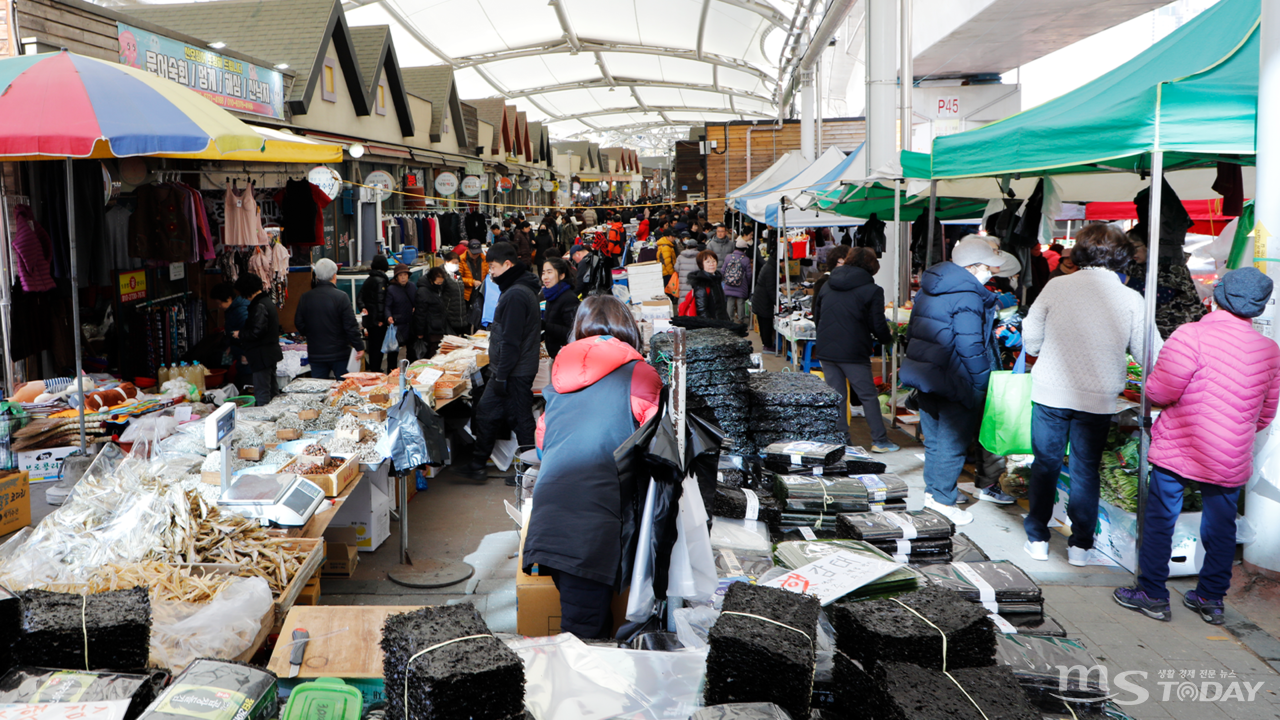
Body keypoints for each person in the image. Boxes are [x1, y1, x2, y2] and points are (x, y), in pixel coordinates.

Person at [1112, 268, 1280, 624]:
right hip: (1230, 455)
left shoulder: (1192, 335)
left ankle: (1153, 594)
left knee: (1161, 520)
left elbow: (1159, 392)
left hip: (1181, 446)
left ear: (1220, 296)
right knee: (1221, 528)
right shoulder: (1269, 349)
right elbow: (1266, 414)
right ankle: (1211, 599)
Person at [524, 295, 662, 639]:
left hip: (551, 518)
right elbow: (659, 446)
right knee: (582, 639)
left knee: (584, 624)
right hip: (591, 524)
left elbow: (542, 444)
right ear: (629, 331)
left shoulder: (559, 376)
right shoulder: (640, 375)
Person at [1022, 223, 1155, 564]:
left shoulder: (1058, 286)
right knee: (1086, 469)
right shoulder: (1130, 297)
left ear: (1079, 251)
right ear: (1122, 255)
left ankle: (1037, 538)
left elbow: (1031, 331)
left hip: (1051, 391)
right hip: (1097, 397)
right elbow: (1149, 353)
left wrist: (1039, 350)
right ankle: (1080, 546)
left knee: (1046, 465)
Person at [899, 236, 1008, 526]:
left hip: (927, 376)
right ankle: (944, 502)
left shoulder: (930, 288)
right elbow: (971, 347)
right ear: (973, 266)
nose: (992, 273)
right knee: (951, 444)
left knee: (935, 441)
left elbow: (912, 333)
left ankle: (934, 496)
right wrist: (983, 384)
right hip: (955, 378)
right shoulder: (968, 295)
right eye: (988, 267)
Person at [459, 242, 542, 482]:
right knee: (486, 410)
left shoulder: (516, 294)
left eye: (493, 267)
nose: (490, 273)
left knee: (521, 418)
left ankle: (530, 471)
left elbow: (511, 341)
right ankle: (477, 463)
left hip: (514, 371)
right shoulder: (516, 288)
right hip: (509, 368)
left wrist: (502, 375)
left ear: (507, 264)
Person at [816, 248, 897, 453]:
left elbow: (817, 315)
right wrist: (888, 339)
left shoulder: (827, 284)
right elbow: (878, 324)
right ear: (872, 266)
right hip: (853, 351)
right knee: (868, 396)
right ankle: (880, 441)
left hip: (826, 349)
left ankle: (842, 441)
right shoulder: (872, 290)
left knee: (837, 396)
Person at [294, 258, 365, 380]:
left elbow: (299, 323)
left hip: (316, 353)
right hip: (340, 353)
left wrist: (311, 334)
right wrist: (359, 346)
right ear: (334, 276)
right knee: (343, 389)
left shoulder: (306, 297)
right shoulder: (341, 297)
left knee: (319, 390)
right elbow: (350, 326)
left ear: (317, 277)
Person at [234, 273, 283, 406]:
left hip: (262, 356)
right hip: (268, 355)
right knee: (272, 391)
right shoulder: (265, 302)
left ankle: (265, 422)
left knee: (262, 392)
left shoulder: (259, 306)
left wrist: (240, 334)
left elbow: (257, 331)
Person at [357, 255, 391, 373]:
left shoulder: (368, 279)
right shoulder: (381, 280)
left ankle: (374, 368)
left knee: (372, 346)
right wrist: (381, 319)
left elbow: (359, 298)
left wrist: (363, 309)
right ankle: (376, 370)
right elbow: (380, 302)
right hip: (377, 321)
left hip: (369, 320)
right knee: (378, 347)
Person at [541, 256, 579, 358]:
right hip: (555, 354)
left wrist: (544, 326)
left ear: (562, 275)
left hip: (567, 356)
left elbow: (572, 332)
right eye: (543, 273)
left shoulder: (569, 299)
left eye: (549, 272)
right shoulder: (551, 295)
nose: (545, 277)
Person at [211, 282, 249, 380]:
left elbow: (248, 334)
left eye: (220, 303)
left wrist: (246, 353)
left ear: (229, 298)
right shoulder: (233, 309)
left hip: (245, 354)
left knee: (246, 378)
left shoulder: (240, 311)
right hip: (237, 349)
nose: (219, 306)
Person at [412, 267, 450, 361]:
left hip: (437, 327)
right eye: (438, 283)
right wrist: (420, 332)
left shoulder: (435, 289)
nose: (440, 285)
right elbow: (420, 314)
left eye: (441, 283)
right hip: (430, 330)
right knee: (431, 355)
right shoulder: (423, 292)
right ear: (431, 280)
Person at [811, 245, 852, 320]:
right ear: (834, 262)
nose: (845, 266)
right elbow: (816, 310)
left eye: (847, 263)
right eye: (842, 262)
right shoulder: (824, 281)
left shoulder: (851, 280)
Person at [384, 264, 417, 359]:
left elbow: (416, 301)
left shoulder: (411, 286)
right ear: (396, 277)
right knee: (393, 352)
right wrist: (388, 317)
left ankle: (410, 370)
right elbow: (387, 306)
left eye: (405, 275)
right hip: (397, 324)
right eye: (400, 275)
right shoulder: (391, 289)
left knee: (412, 352)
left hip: (410, 323)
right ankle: (392, 370)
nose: (403, 277)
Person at [687, 250, 728, 320]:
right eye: (707, 262)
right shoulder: (701, 283)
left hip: (721, 321)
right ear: (701, 264)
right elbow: (701, 309)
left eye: (714, 261)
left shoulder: (717, 279)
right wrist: (711, 323)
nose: (711, 264)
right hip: (713, 324)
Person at [721, 236, 753, 324]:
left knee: (730, 301)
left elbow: (722, 270)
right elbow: (749, 274)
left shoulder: (728, 257)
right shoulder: (746, 260)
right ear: (744, 249)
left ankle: (729, 319)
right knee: (740, 302)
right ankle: (740, 319)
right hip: (741, 284)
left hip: (729, 283)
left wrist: (726, 279)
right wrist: (748, 283)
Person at [437, 252, 469, 336]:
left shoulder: (457, 275)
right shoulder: (441, 275)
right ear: (446, 262)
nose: (455, 265)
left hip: (459, 315)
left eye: (457, 263)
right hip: (447, 317)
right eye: (453, 262)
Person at [752, 251, 778, 352]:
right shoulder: (771, 269)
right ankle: (767, 345)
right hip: (764, 300)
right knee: (766, 322)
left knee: (763, 322)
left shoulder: (768, 266)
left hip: (760, 298)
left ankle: (766, 344)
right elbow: (771, 288)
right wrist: (777, 302)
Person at [458, 240, 488, 305]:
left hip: (482, 292)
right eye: (473, 253)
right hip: (467, 295)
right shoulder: (461, 259)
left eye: (477, 253)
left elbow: (487, 273)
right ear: (468, 249)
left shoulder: (484, 259)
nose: (475, 255)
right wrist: (473, 282)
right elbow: (458, 278)